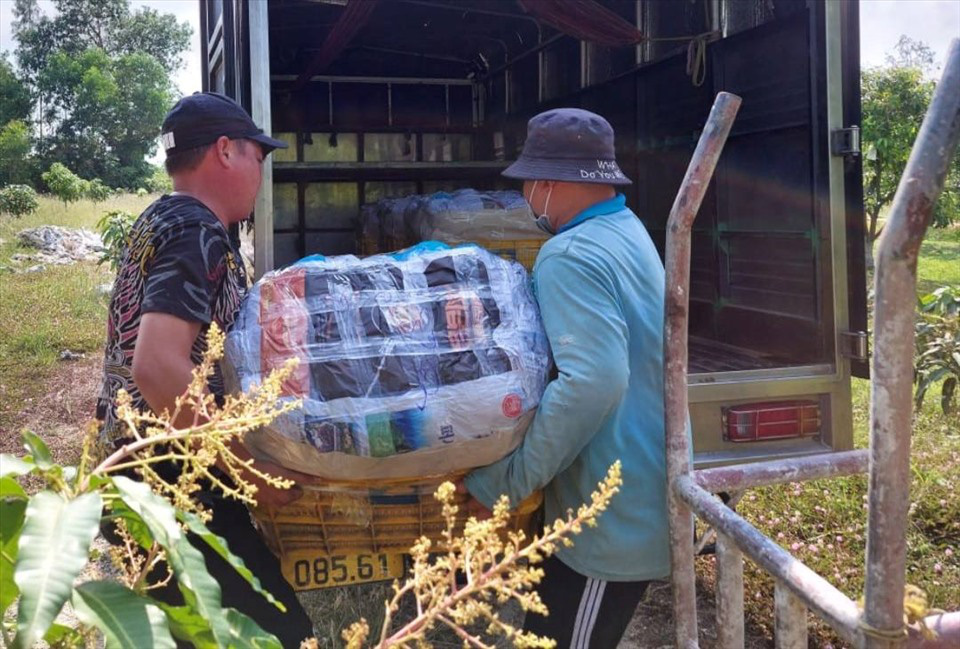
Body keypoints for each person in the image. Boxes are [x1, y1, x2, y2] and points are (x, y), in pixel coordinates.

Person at [95, 92, 315, 647]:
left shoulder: (159, 219)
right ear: (224, 151)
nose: (261, 172)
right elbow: (157, 365)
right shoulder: (198, 230)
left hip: (141, 474)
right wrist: (248, 473)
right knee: (279, 636)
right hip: (167, 481)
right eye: (257, 157)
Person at [464, 108, 672, 649]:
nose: (527, 196)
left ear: (550, 183)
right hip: (634, 485)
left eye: (529, 183)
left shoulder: (571, 254)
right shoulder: (625, 229)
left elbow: (592, 384)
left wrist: (504, 485)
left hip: (609, 516)